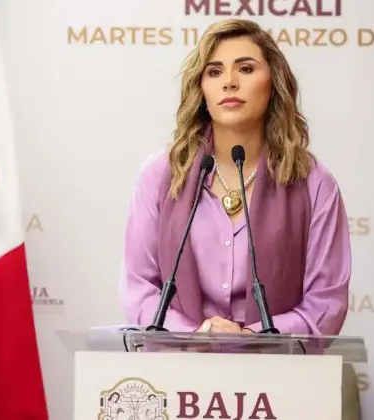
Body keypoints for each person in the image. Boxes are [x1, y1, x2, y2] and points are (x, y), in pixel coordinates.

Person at [120, 18, 352, 335]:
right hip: (180, 358)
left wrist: (250, 338)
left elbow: (326, 303)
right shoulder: (160, 175)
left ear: (274, 82)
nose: (229, 82)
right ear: (201, 88)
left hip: (276, 363)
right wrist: (197, 336)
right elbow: (139, 291)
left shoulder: (314, 182)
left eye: (245, 68)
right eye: (214, 72)